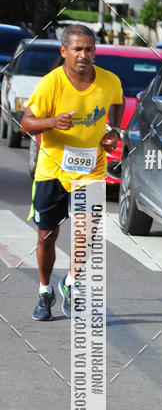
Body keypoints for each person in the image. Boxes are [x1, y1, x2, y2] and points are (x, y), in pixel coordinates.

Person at [20, 24, 124, 321]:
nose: (83, 54)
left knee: (86, 231)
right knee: (46, 237)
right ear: (64, 51)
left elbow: (116, 105)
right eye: (77, 49)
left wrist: (113, 131)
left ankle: (72, 282)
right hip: (53, 169)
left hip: (91, 168)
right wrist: (52, 122)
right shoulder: (51, 84)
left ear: (95, 51)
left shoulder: (110, 81)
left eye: (88, 49)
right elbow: (25, 123)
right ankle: (44, 290)